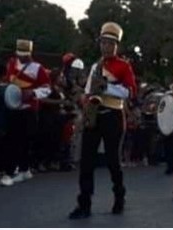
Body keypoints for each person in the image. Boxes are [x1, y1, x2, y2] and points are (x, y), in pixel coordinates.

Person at [69, 22, 137, 219]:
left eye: (110, 43)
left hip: (113, 116)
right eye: (103, 42)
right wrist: (84, 105)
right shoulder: (95, 67)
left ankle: (119, 196)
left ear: (117, 46)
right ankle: (84, 204)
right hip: (94, 115)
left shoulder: (124, 66)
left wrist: (107, 87)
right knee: (86, 161)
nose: (105, 46)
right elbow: (90, 92)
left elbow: (130, 92)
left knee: (112, 160)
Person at [0, 40, 51, 187]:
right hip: (13, 107)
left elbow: (47, 88)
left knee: (23, 141)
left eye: (24, 55)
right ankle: (19, 169)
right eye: (19, 54)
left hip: (28, 109)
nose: (21, 57)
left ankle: (14, 172)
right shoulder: (12, 63)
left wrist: (33, 92)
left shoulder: (37, 68)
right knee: (12, 140)